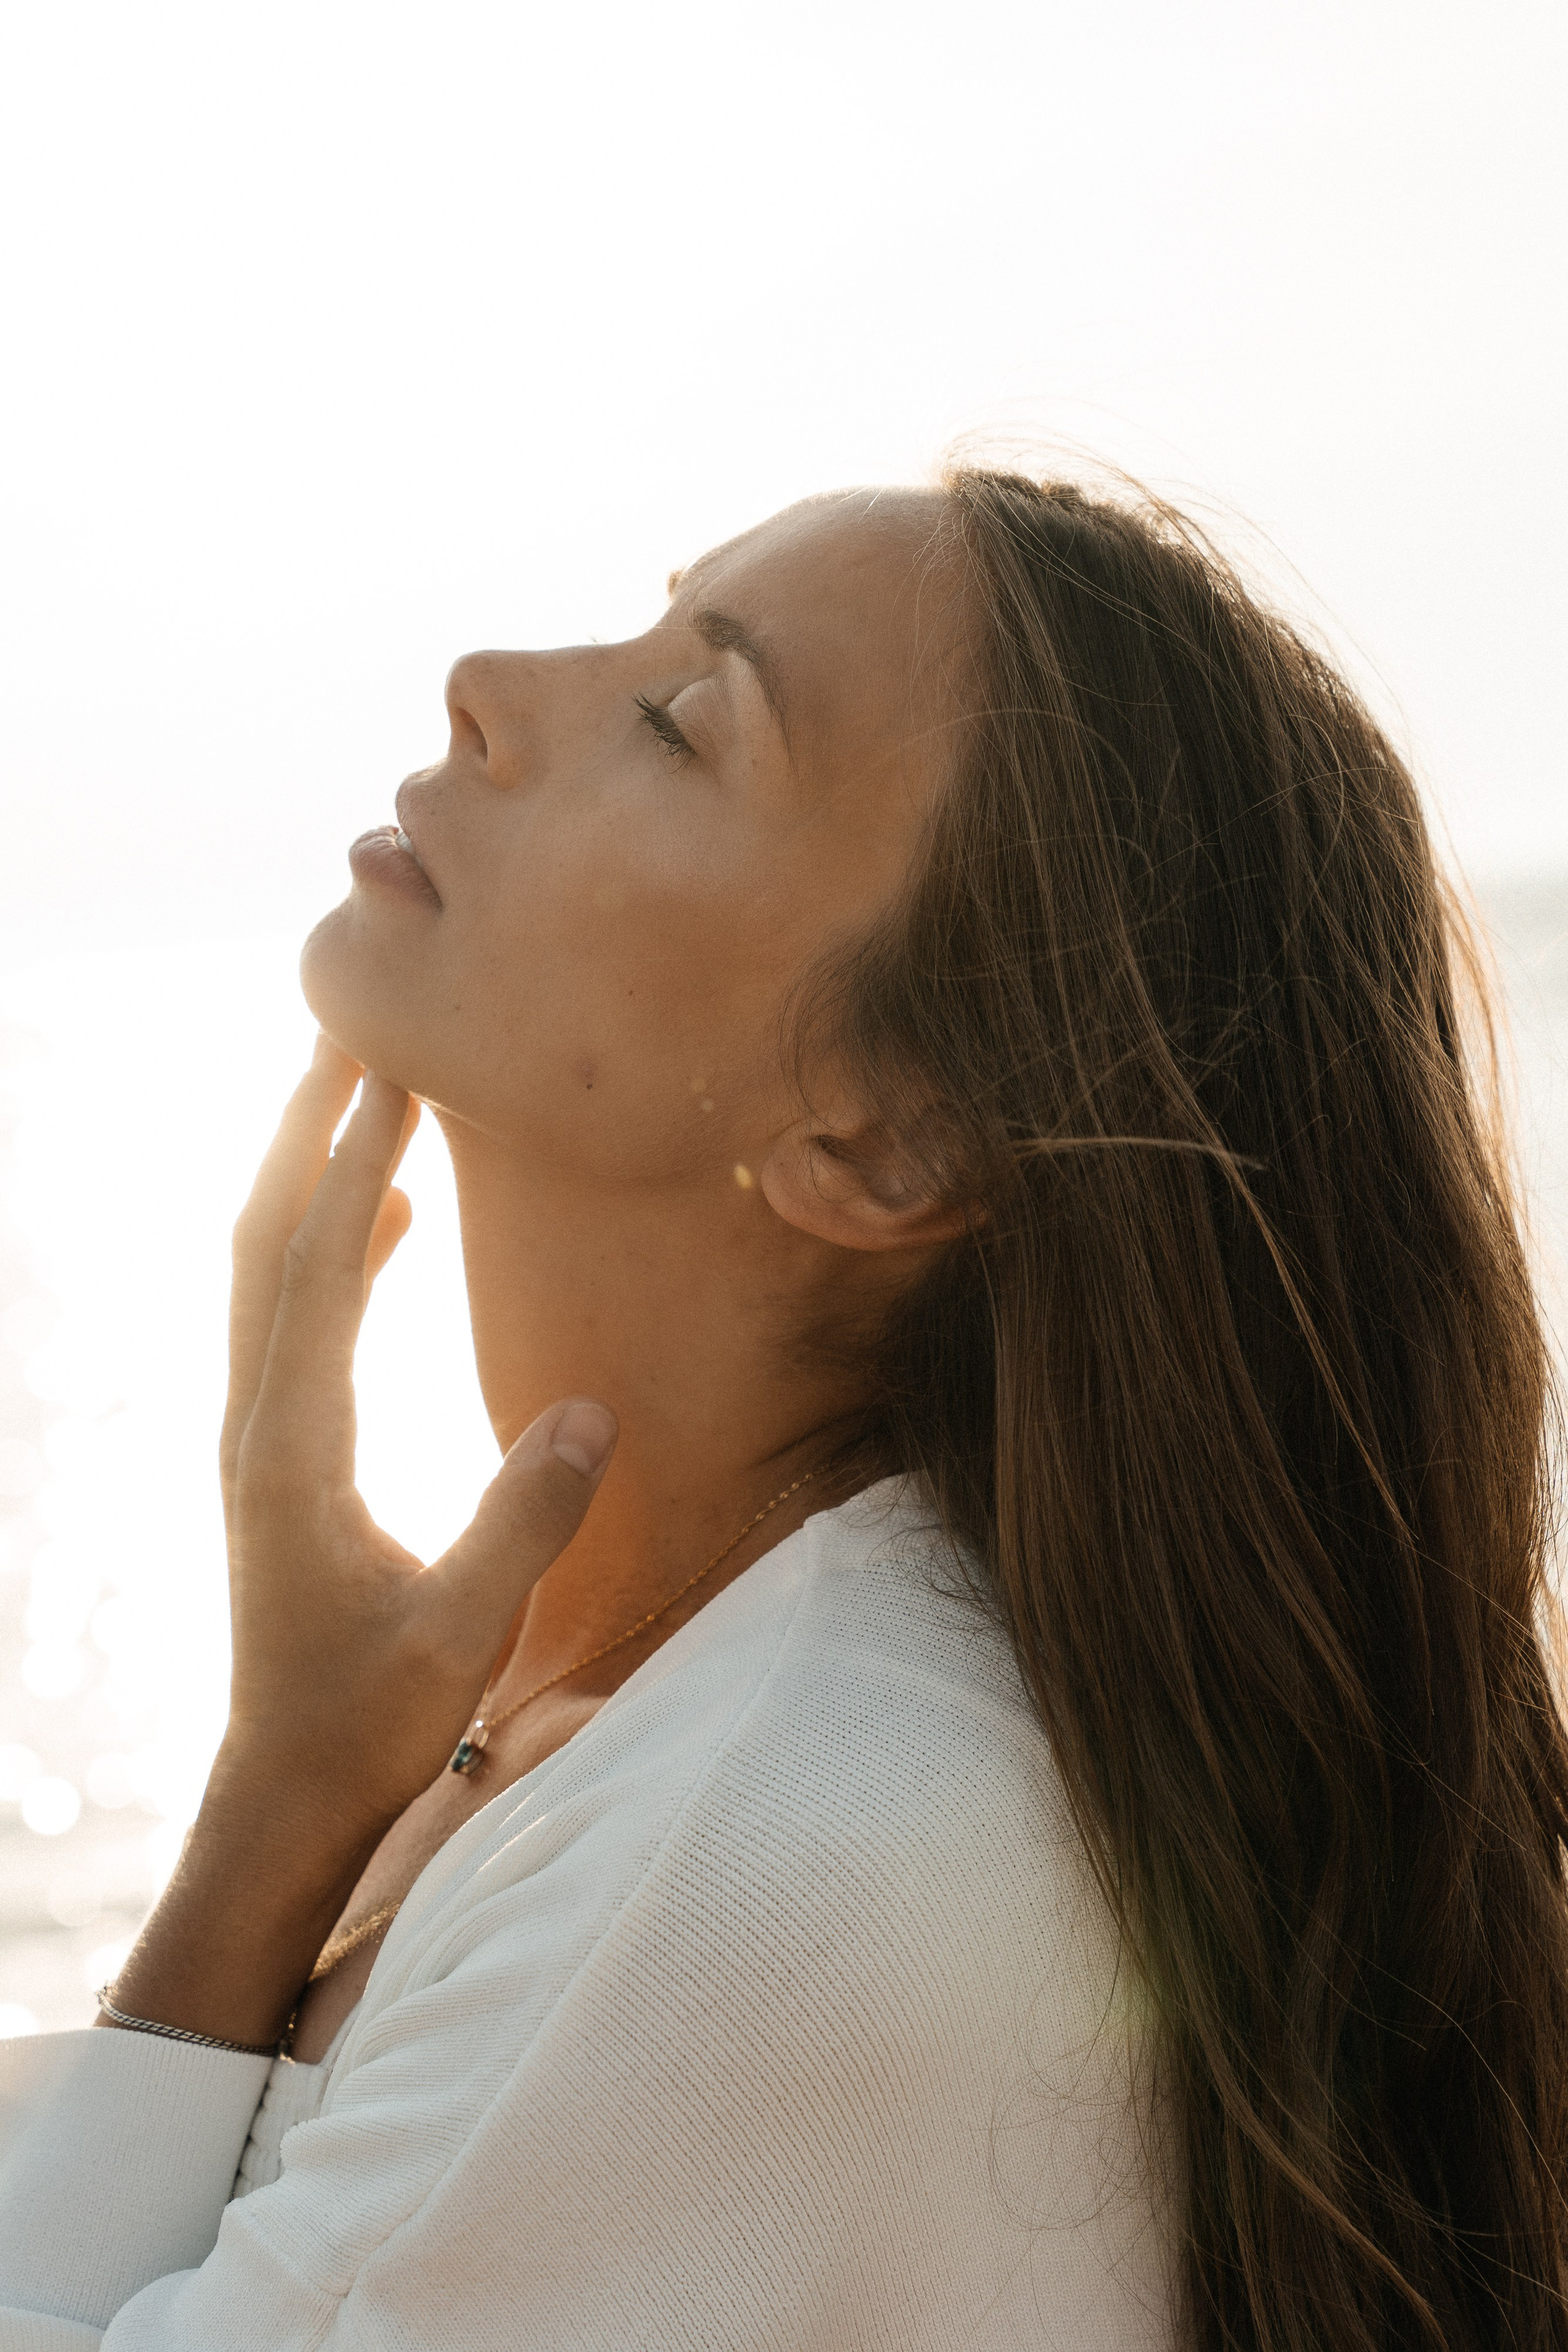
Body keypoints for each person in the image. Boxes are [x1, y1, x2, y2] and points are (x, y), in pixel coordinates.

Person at [0, 467, 1564, 2351]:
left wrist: (262, 1838)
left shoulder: (779, 1838)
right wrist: (301, 1788)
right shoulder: (680, 1725)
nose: (487, 683)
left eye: (681, 719)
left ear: (887, 1141)